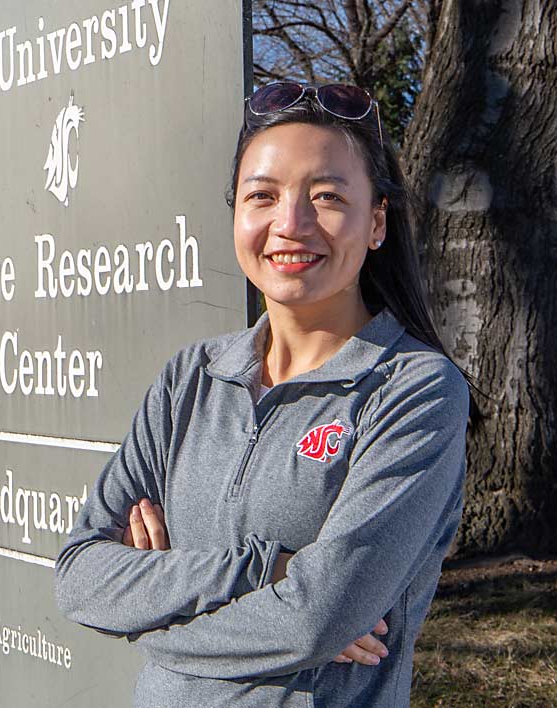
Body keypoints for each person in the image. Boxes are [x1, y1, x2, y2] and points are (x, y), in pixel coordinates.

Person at [54, 82, 472, 707]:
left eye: (327, 196)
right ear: (236, 215)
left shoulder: (414, 391)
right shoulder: (188, 380)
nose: (291, 224)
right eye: (263, 196)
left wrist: (147, 609)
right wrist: (265, 572)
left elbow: (315, 620)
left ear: (377, 221)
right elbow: (80, 577)